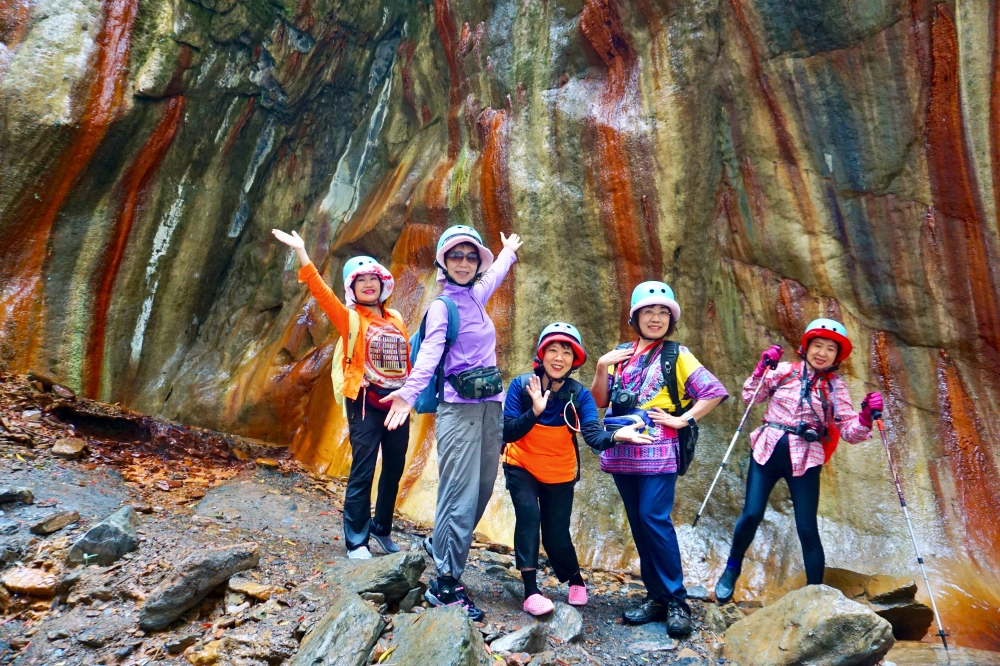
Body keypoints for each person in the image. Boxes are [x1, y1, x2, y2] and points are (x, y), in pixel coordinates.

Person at [381, 225, 521, 621]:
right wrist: (408, 394)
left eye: (471, 255)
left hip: (490, 409)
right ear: (444, 261)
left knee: (478, 491)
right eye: (456, 255)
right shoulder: (443, 307)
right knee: (458, 496)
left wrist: (507, 250)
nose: (464, 262)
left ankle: (440, 544)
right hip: (458, 412)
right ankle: (445, 582)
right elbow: (428, 353)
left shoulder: (476, 296)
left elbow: (493, 276)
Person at [591, 281, 729, 637]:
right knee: (639, 522)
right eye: (648, 312)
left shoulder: (676, 355)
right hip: (622, 449)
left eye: (663, 312)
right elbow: (600, 402)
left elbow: (712, 392)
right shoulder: (620, 353)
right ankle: (655, 597)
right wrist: (601, 366)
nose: (656, 318)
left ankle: (677, 602)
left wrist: (684, 419)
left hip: (657, 450)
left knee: (654, 518)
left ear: (671, 319)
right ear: (635, 317)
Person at [714, 319, 883, 604]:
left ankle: (815, 593)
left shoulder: (835, 389)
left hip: (805, 458)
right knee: (752, 513)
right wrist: (762, 368)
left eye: (831, 349)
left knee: (806, 527)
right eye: (818, 345)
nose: (823, 352)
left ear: (837, 356)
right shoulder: (783, 372)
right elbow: (749, 397)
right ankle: (732, 568)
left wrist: (866, 416)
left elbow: (850, 432)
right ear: (806, 347)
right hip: (766, 451)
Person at [272, 229, 410, 560]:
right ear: (352, 288)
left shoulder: (397, 318)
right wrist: (303, 252)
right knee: (363, 468)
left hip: (397, 403)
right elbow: (320, 293)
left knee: (393, 468)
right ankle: (357, 539)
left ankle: (382, 528)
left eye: (372, 279)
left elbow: (405, 359)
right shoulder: (349, 318)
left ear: (382, 285)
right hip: (364, 402)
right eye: (360, 280)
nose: (367, 284)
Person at [503, 323, 653, 616]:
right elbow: (507, 432)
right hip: (520, 463)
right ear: (542, 354)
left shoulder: (579, 395)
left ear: (575, 360)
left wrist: (616, 437)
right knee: (529, 518)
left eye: (567, 353)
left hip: (559, 471)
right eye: (553, 350)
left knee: (556, 535)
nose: (559, 358)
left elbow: (593, 436)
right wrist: (534, 411)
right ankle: (531, 591)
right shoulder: (522, 386)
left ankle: (574, 578)